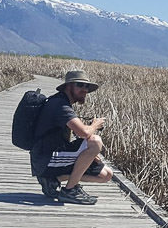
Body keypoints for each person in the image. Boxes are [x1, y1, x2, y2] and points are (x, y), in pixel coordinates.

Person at [30, 70, 113, 205]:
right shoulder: (60, 105)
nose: (84, 90)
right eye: (80, 85)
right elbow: (84, 133)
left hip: (47, 156)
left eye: (87, 87)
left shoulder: (60, 102)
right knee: (95, 141)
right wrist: (95, 125)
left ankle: (53, 180)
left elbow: (79, 132)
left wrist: (90, 155)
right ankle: (70, 190)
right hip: (47, 158)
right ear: (68, 86)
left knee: (106, 175)